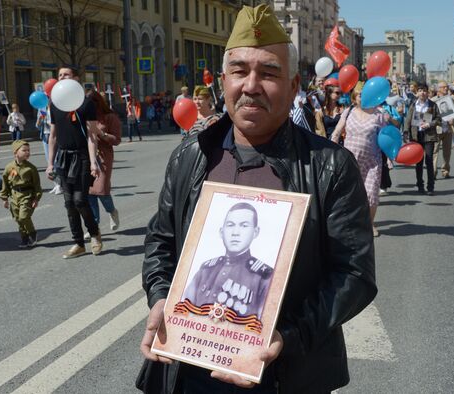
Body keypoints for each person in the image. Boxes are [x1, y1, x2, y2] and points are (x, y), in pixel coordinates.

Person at [139, 5, 376, 394]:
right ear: (223, 81)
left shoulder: (330, 166)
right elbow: (160, 242)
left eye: (268, 73)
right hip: (189, 372)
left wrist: (288, 336)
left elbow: (354, 274)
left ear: (295, 85)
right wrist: (161, 296)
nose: (251, 85)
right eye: (239, 71)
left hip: (286, 376)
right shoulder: (191, 156)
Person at [45, 67, 103, 259]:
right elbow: (52, 136)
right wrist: (50, 163)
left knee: (80, 200)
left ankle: (94, 234)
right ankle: (78, 243)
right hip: (64, 157)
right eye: (60, 75)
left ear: (76, 79)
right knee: (69, 203)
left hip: (82, 157)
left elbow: (92, 136)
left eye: (66, 74)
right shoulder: (55, 105)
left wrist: (94, 162)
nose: (62, 77)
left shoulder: (86, 105)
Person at [183, 203, 273, 320]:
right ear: (221, 231)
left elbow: (262, 326)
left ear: (255, 232)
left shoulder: (264, 277)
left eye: (244, 226)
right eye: (230, 225)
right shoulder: (206, 269)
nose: (235, 232)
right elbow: (183, 309)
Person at [332, 83, 388, 237]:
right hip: (350, 160)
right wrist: (331, 150)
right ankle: (349, 223)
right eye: (359, 94)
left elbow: (386, 138)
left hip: (372, 161)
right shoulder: (348, 112)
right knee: (348, 194)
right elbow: (337, 132)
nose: (362, 97)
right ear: (354, 97)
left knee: (371, 194)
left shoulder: (379, 114)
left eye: (365, 94)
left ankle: (369, 224)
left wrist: (389, 157)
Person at [85, 90, 121, 237]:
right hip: (87, 156)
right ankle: (94, 226)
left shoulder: (110, 117)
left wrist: (102, 134)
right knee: (90, 193)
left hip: (104, 156)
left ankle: (112, 211)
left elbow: (117, 140)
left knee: (102, 190)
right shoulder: (85, 117)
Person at [0, 140, 43, 248]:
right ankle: (24, 238)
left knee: (24, 217)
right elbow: (5, 184)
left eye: (28, 150)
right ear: (15, 153)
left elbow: (37, 185)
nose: (27, 152)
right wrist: (4, 199)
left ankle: (32, 234)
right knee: (18, 219)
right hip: (14, 196)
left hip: (27, 196)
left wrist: (36, 199)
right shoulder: (9, 167)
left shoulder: (31, 168)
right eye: (24, 150)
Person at [404, 83, 440, 195]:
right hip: (416, 136)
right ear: (417, 92)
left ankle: (430, 187)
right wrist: (406, 132)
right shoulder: (413, 105)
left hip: (428, 135)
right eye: (420, 90)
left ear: (427, 92)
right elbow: (408, 119)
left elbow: (438, 119)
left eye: (424, 90)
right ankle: (420, 185)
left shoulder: (432, 105)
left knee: (429, 161)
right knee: (418, 162)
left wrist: (429, 124)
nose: (422, 93)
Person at [431, 81, 454, 179]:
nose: (446, 88)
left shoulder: (450, 99)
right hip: (437, 129)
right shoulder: (433, 101)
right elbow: (428, 116)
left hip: (448, 129)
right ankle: (433, 171)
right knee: (435, 151)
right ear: (439, 89)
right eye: (444, 87)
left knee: (447, 152)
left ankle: (445, 170)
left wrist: (453, 119)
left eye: (447, 87)